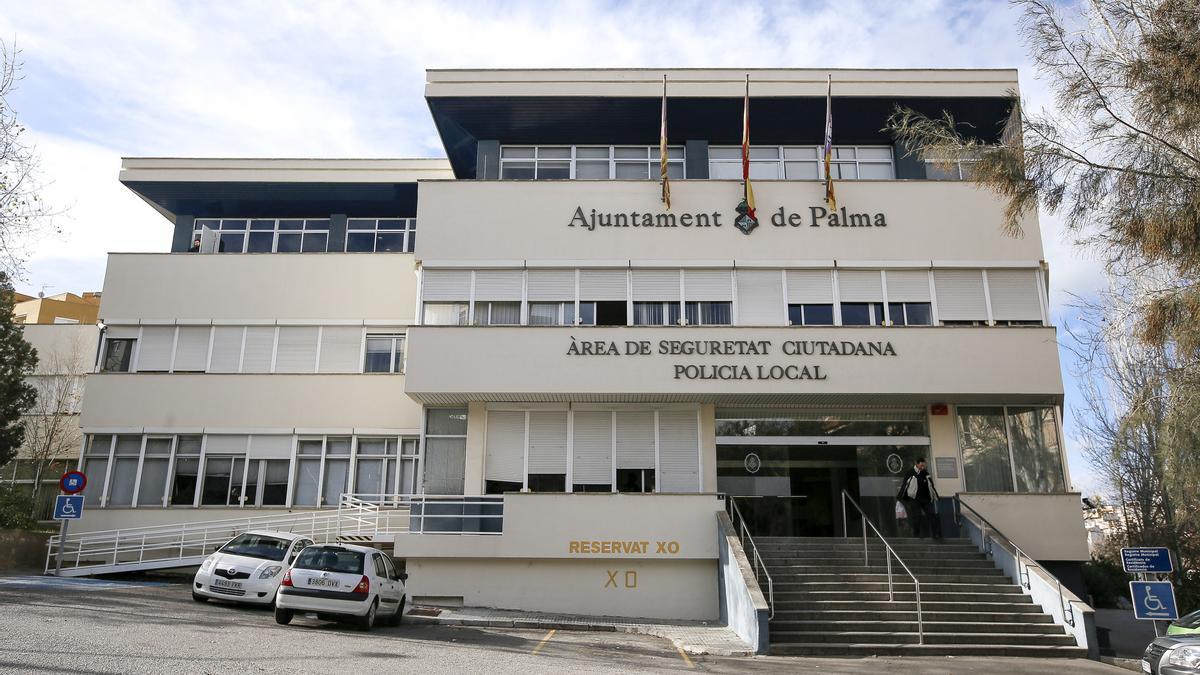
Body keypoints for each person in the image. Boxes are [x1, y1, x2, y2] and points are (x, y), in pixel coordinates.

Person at [896, 458, 942, 540]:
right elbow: (904, 485)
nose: (923, 467)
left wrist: (936, 496)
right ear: (916, 464)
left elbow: (931, 486)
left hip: (926, 499)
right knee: (917, 516)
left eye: (924, 465)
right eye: (921, 465)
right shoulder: (911, 473)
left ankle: (936, 534)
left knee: (932, 515)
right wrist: (900, 496)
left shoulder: (926, 474)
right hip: (915, 498)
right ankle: (916, 533)